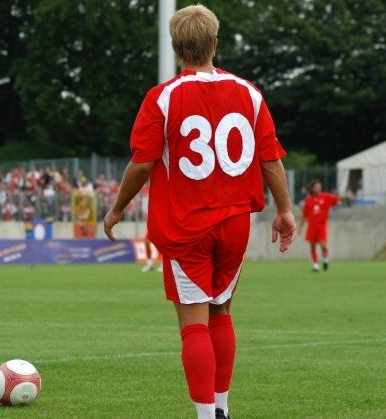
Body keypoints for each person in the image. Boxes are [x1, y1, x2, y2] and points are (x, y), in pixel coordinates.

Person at [102, 5, 295, 419]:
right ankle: (222, 409)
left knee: (193, 323)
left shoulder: (163, 97)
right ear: (215, 43)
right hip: (235, 223)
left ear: (176, 49)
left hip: (188, 225)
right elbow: (271, 160)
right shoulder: (249, 93)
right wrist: (285, 210)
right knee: (221, 311)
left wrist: (118, 207)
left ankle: (207, 416)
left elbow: (141, 164)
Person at [298, 180, 348, 272]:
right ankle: (315, 265)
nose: (318, 188)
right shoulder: (308, 200)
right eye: (316, 186)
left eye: (319, 186)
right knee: (312, 246)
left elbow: (337, 198)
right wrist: (300, 227)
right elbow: (304, 215)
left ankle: (325, 259)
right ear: (312, 188)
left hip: (321, 225)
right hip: (312, 226)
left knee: (323, 245)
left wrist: (347, 197)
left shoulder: (325, 197)